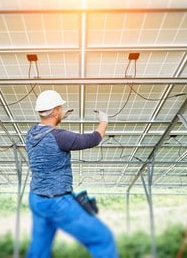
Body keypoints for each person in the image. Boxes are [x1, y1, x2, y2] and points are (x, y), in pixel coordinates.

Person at [26, 90, 118, 258]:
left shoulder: (30, 134)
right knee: (103, 239)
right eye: (59, 109)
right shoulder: (61, 137)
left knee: (38, 250)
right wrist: (104, 121)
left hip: (36, 199)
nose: (61, 111)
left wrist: (58, 119)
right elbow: (93, 139)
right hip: (58, 202)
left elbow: (47, 131)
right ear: (54, 112)